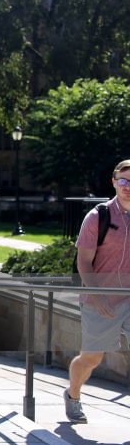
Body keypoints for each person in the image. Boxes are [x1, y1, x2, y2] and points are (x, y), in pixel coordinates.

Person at [65, 160, 130, 424]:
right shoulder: (98, 217)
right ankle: (73, 395)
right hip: (99, 300)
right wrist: (99, 295)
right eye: (124, 181)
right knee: (92, 358)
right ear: (114, 181)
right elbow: (83, 261)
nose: (128, 187)